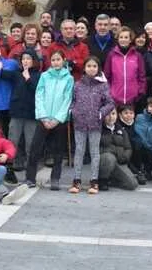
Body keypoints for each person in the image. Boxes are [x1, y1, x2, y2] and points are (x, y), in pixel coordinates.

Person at [23, 50, 74, 191]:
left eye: (58, 59)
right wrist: (43, 116)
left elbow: (67, 99)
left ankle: (55, 178)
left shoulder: (69, 79)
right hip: (44, 118)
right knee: (35, 148)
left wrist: (58, 119)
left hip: (59, 120)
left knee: (58, 150)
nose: (56, 62)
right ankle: (30, 178)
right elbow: (39, 95)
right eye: (53, 60)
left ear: (63, 60)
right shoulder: (44, 76)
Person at [70, 56, 114, 194]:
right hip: (79, 123)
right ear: (84, 68)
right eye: (89, 66)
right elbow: (72, 100)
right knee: (79, 151)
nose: (91, 69)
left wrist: (101, 113)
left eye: (94, 66)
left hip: (95, 124)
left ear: (98, 68)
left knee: (94, 152)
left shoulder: (103, 85)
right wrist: (72, 111)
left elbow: (110, 103)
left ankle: (94, 181)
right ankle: (76, 180)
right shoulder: (78, 84)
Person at [7, 50, 40, 181]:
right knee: (12, 140)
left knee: (31, 142)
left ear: (33, 61)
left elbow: (37, 89)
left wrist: (28, 78)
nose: (25, 61)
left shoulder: (38, 75)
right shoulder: (16, 74)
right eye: (23, 59)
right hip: (17, 112)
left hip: (31, 113)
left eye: (28, 58)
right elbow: (3, 74)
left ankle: (30, 170)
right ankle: (10, 167)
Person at [104, 27, 146, 107]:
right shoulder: (111, 55)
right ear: (118, 39)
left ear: (130, 40)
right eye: (121, 37)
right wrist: (109, 92)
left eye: (126, 37)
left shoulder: (137, 55)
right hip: (115, 97)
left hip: (133, 98)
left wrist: (140, 91)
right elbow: (107, 76)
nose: (123, 39)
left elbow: (142, 76)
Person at [99, 107, 138, 191]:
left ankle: (111, 180)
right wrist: (114, 151)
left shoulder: (121, 130)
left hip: (119, 160)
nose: (111, 117)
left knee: (132, 184)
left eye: (113, 114)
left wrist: (125, 157)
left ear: (117, 115)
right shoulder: (98, 129)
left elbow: (128, 148)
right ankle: (102, 180)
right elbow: (96, 148)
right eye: (107, 114)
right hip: (105, 160)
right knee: (109, 158)